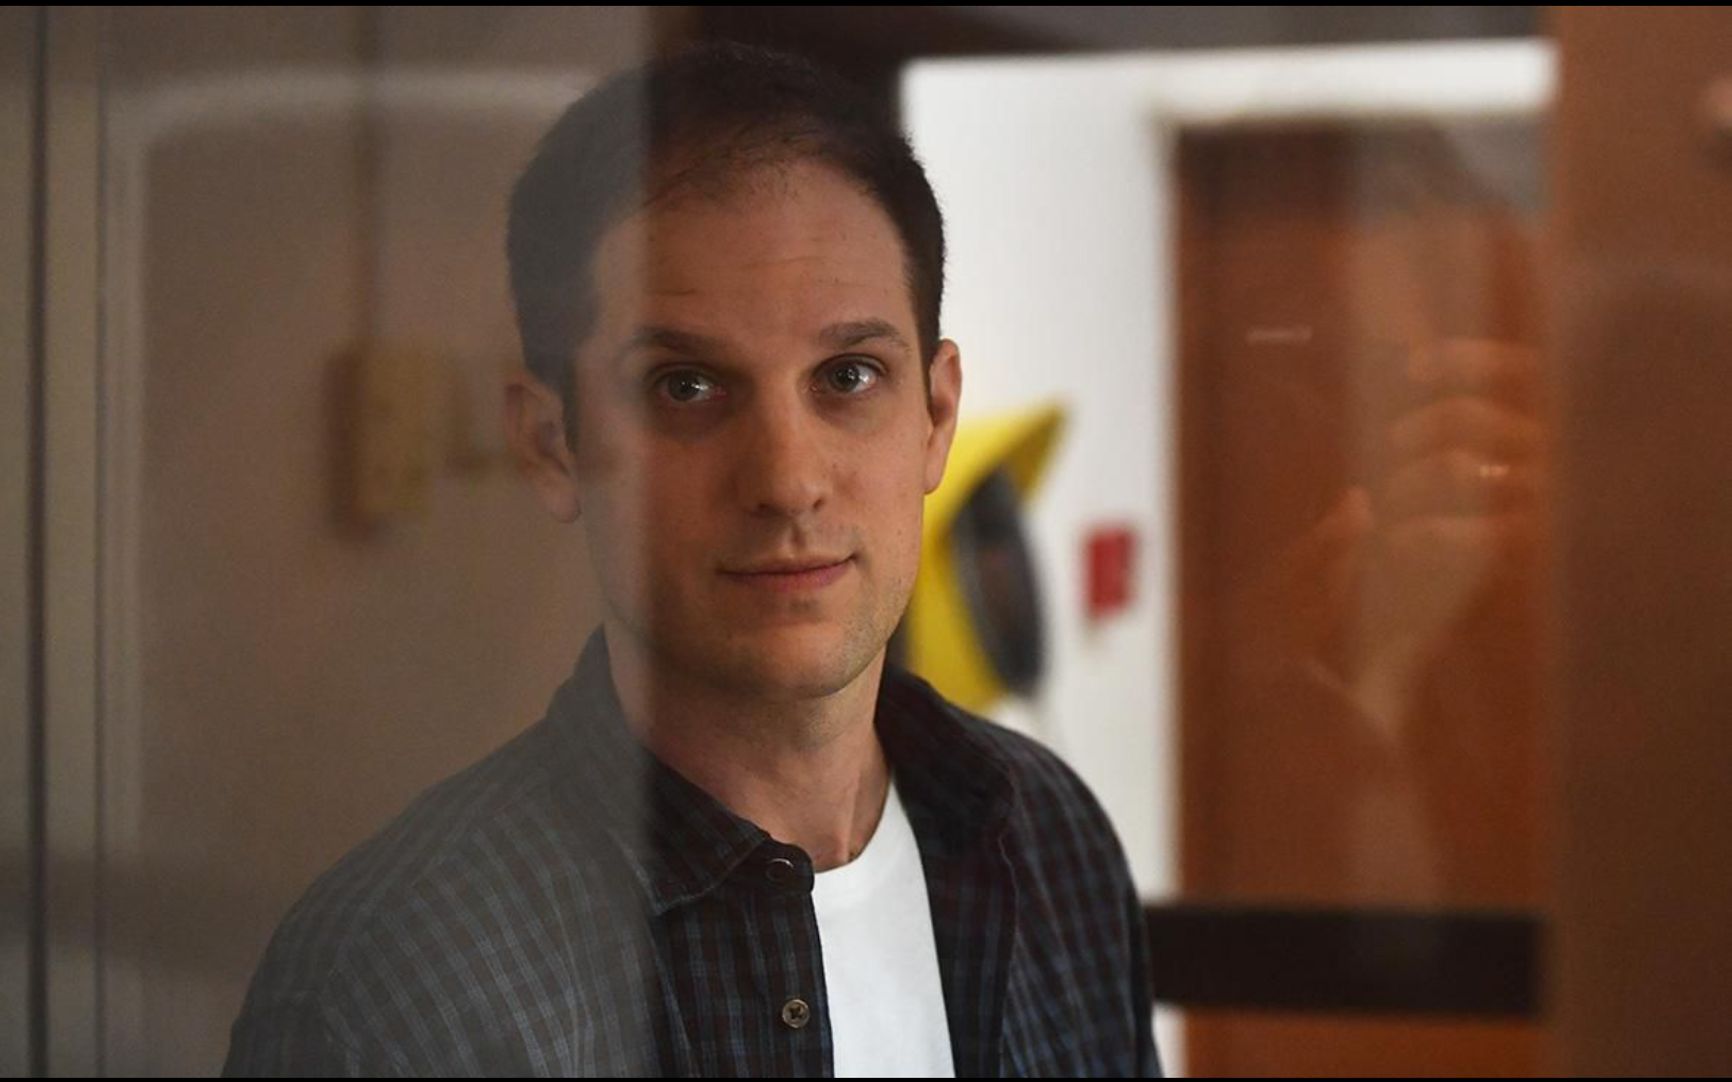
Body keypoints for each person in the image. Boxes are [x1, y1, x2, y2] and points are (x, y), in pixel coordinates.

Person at [224, 42, 1159, 1077]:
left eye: (849, 375)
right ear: (552, 444)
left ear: (936, 417)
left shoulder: (1046, 838)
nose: (788, 480)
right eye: (685, 387)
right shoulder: (395, 988)